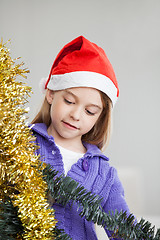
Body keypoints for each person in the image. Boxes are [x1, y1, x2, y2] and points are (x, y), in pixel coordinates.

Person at [31, 35, 130, 239]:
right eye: (69, 101)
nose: (76, 115)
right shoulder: (22, 144)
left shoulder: (103, 173)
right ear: (50, 93)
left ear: (99, 117)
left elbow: (124, 230)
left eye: (90, 111)